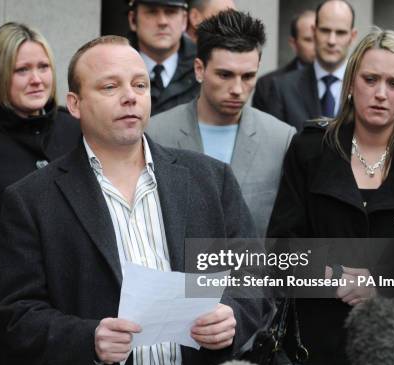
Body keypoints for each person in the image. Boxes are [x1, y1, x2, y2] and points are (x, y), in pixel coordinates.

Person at [0, 35, 269, 365]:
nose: (130, 96)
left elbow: (251, 274)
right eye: (110, 86)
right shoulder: (31, 199)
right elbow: (17, 314)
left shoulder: (209, 179)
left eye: (140, 84)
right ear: (74, 104)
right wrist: (87, 340)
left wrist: (232, 313)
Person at [267, 29, 394, 365]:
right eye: (370, 79)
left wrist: (386, 281)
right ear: (350, 82)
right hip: (318, 346)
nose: (380, 93)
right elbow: (280, 248)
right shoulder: (311, 149)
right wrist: (331, 276)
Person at [0, 22, 82, 365]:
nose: (36, 79)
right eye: (22, 70)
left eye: (43, 67)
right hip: (4, 316)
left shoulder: (75, 128)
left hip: (75, 310)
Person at [148, 9, 295, 236]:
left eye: (248, 76)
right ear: (199, 70)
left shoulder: (281, 138)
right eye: (225, 75)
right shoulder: (155, 133)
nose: (237, 90)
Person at [268, 0, 357, 131]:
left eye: (340, 32)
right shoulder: (282, 88)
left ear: (352, 36)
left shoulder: (364, 88)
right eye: (325, 30)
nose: (332, 41)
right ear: (314, 32)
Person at [128, 0, 200, 115]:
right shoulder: (113, 67)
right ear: (133, 20)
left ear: (184, 20)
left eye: (171, 12)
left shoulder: (205, 69)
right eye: (152, 12)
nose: (162, 22)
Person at [252, 10, 316, 112]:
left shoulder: (345, 80)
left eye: (318, 38)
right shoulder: (267, 85)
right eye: (309, 40)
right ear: (293, 43)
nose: (317, 45)